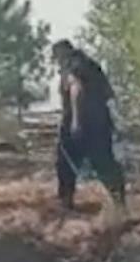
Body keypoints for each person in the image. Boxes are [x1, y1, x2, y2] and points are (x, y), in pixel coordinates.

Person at [51, 40, 127, 216]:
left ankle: (66, 202)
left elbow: (76, 88)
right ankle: (120, 204)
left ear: (63, 53)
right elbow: (109, 95)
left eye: (56, 57)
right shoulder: (92, 66)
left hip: (81, 123)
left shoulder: (72, 66)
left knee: (65, 161)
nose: (56, 62)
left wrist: (76, 120)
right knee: (104, 163)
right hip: (101, 122)